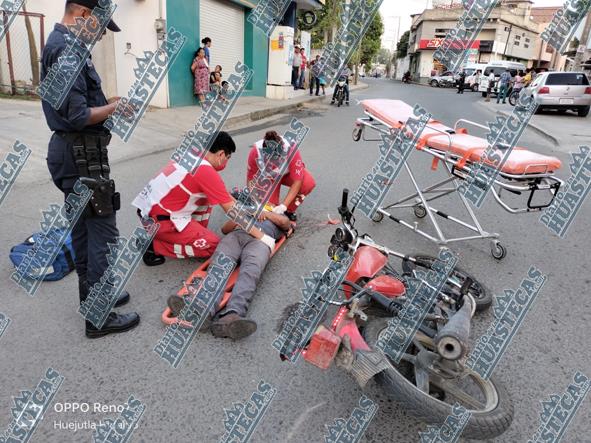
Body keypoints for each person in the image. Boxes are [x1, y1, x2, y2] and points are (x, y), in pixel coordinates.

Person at [41, 0, 139, 339]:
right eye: (99, 26)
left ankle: (96, 299)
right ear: (83, 14)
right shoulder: (68, 51)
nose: (100, 36)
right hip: (80, 156)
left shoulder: (64, 46)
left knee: (86, 234)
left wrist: (107, 103)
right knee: (101, 235)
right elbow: (78, 115)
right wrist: (113, 107)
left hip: (79, 154)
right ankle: (98, 317)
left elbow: (78, 106)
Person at [134, 132, 276, 266]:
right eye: (227, 158)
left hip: (151, 210)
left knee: (209, 198)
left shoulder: (193, 155)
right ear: (220, 154)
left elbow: (223, 196)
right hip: (160, 221)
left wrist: (249, 209)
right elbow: (231, 210)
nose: (226, 162)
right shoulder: (204, 171)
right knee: (214, 246)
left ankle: (193, 233)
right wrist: (263, 237)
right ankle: (154, 245)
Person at [167, 206, 293, 339]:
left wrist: (265, 213)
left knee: (250, 272)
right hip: (236, 237)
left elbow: (285, 224)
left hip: (261, 241)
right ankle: (202, 310)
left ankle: (232, 316)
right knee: (219, 266)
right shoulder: (249, 211)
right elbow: (225, 230)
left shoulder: (279, 215)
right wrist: (241, 216)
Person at [247, 131, 316, 221]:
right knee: (269, 211)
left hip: (288, 174)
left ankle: (289, 211)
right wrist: (258, 203)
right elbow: (250, 181)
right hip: (269, 179)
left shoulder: (290, 148)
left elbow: (297, 181)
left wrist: (284, 206)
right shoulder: (255, 152)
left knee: (308, 183)